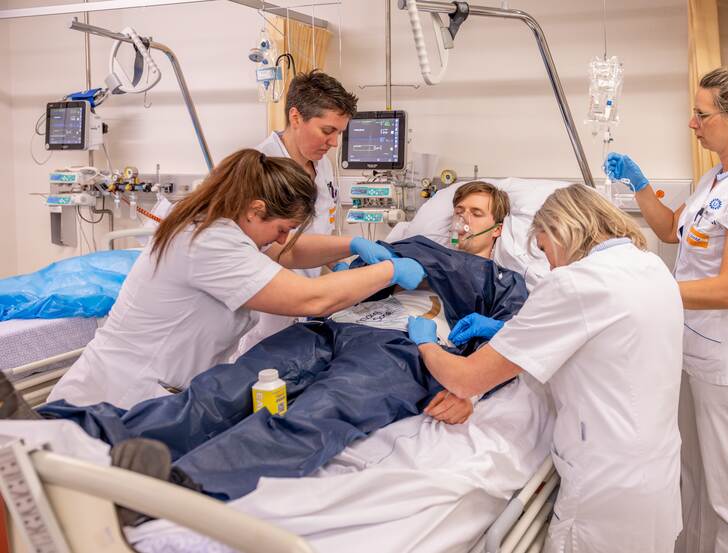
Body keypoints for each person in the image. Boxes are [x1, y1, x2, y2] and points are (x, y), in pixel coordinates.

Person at [7, 182, 522, 503]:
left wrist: (469, 383)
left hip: (403, 348)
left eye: (476, 214)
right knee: (222, 390)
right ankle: (63, 429)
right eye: (458, 209)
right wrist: (367, 264)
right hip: (330, 326)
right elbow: (325, 285)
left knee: (323, 410)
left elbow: (519, 338)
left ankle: (179, 489)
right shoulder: (410, 246)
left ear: (500, 228)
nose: (461, 222)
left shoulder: (501, 278)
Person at [407, 184, 684, 553]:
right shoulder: (649, 265)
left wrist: (424, 341)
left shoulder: (573, 283)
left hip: (604, 489)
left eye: (544, 248)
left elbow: (467, 377)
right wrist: (506, 331)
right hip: (656, 474)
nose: (549, 262)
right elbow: (597, 337)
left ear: (562, 231)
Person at [48, 149, 425, 410]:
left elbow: (288, 252)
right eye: (282, 227)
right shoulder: (209, 242)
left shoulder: (221, 222)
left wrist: (352, 244)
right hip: (120, 394)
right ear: (255, 209)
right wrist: (389, 271)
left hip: (152, 387)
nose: (282, 238)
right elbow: (310, 299)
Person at [604, 53, 728, 553]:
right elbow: (670, 230)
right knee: (695, 482)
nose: (693, 123)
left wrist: (647, 289)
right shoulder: (715, 179)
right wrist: (639, 186)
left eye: (702, 114)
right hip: (694, 352)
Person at [237, 70, 359, 354]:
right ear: (295, 117)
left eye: (339, 133)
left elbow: (319, 232)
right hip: (268, 317)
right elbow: (277, 249)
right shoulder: (260, 169)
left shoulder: (323, 165)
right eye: (327, 131)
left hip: (311, 308)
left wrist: (336, 267)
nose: (334, 143)